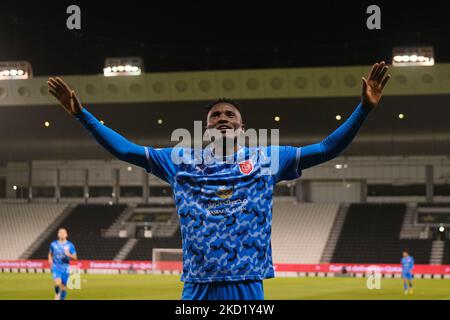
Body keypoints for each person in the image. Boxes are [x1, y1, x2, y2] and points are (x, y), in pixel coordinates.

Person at [47, 61, 390, 300]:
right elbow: (126, 150)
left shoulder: (266, 159)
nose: (222, 118)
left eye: (230, 115)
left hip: (245, 284)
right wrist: (81, 115)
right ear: (207, 128)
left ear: (242, 128)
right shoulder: (179, 161)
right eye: (215, 116)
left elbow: (327, 148)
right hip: (196, 285)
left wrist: (364, 110)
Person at [48, 228, 77, 300]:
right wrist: (50, 259)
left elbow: (75, 257)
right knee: (57, 283)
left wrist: (69, 255)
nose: (62, 234)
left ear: (66, 235)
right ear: (58, 234)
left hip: (65, 267)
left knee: (63, 287)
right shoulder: (53, 244)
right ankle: (57, 296)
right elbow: (50, 254)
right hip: (56, 266)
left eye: (63, 233)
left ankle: (62, 298)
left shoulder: (70, 245)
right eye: (60, 233)